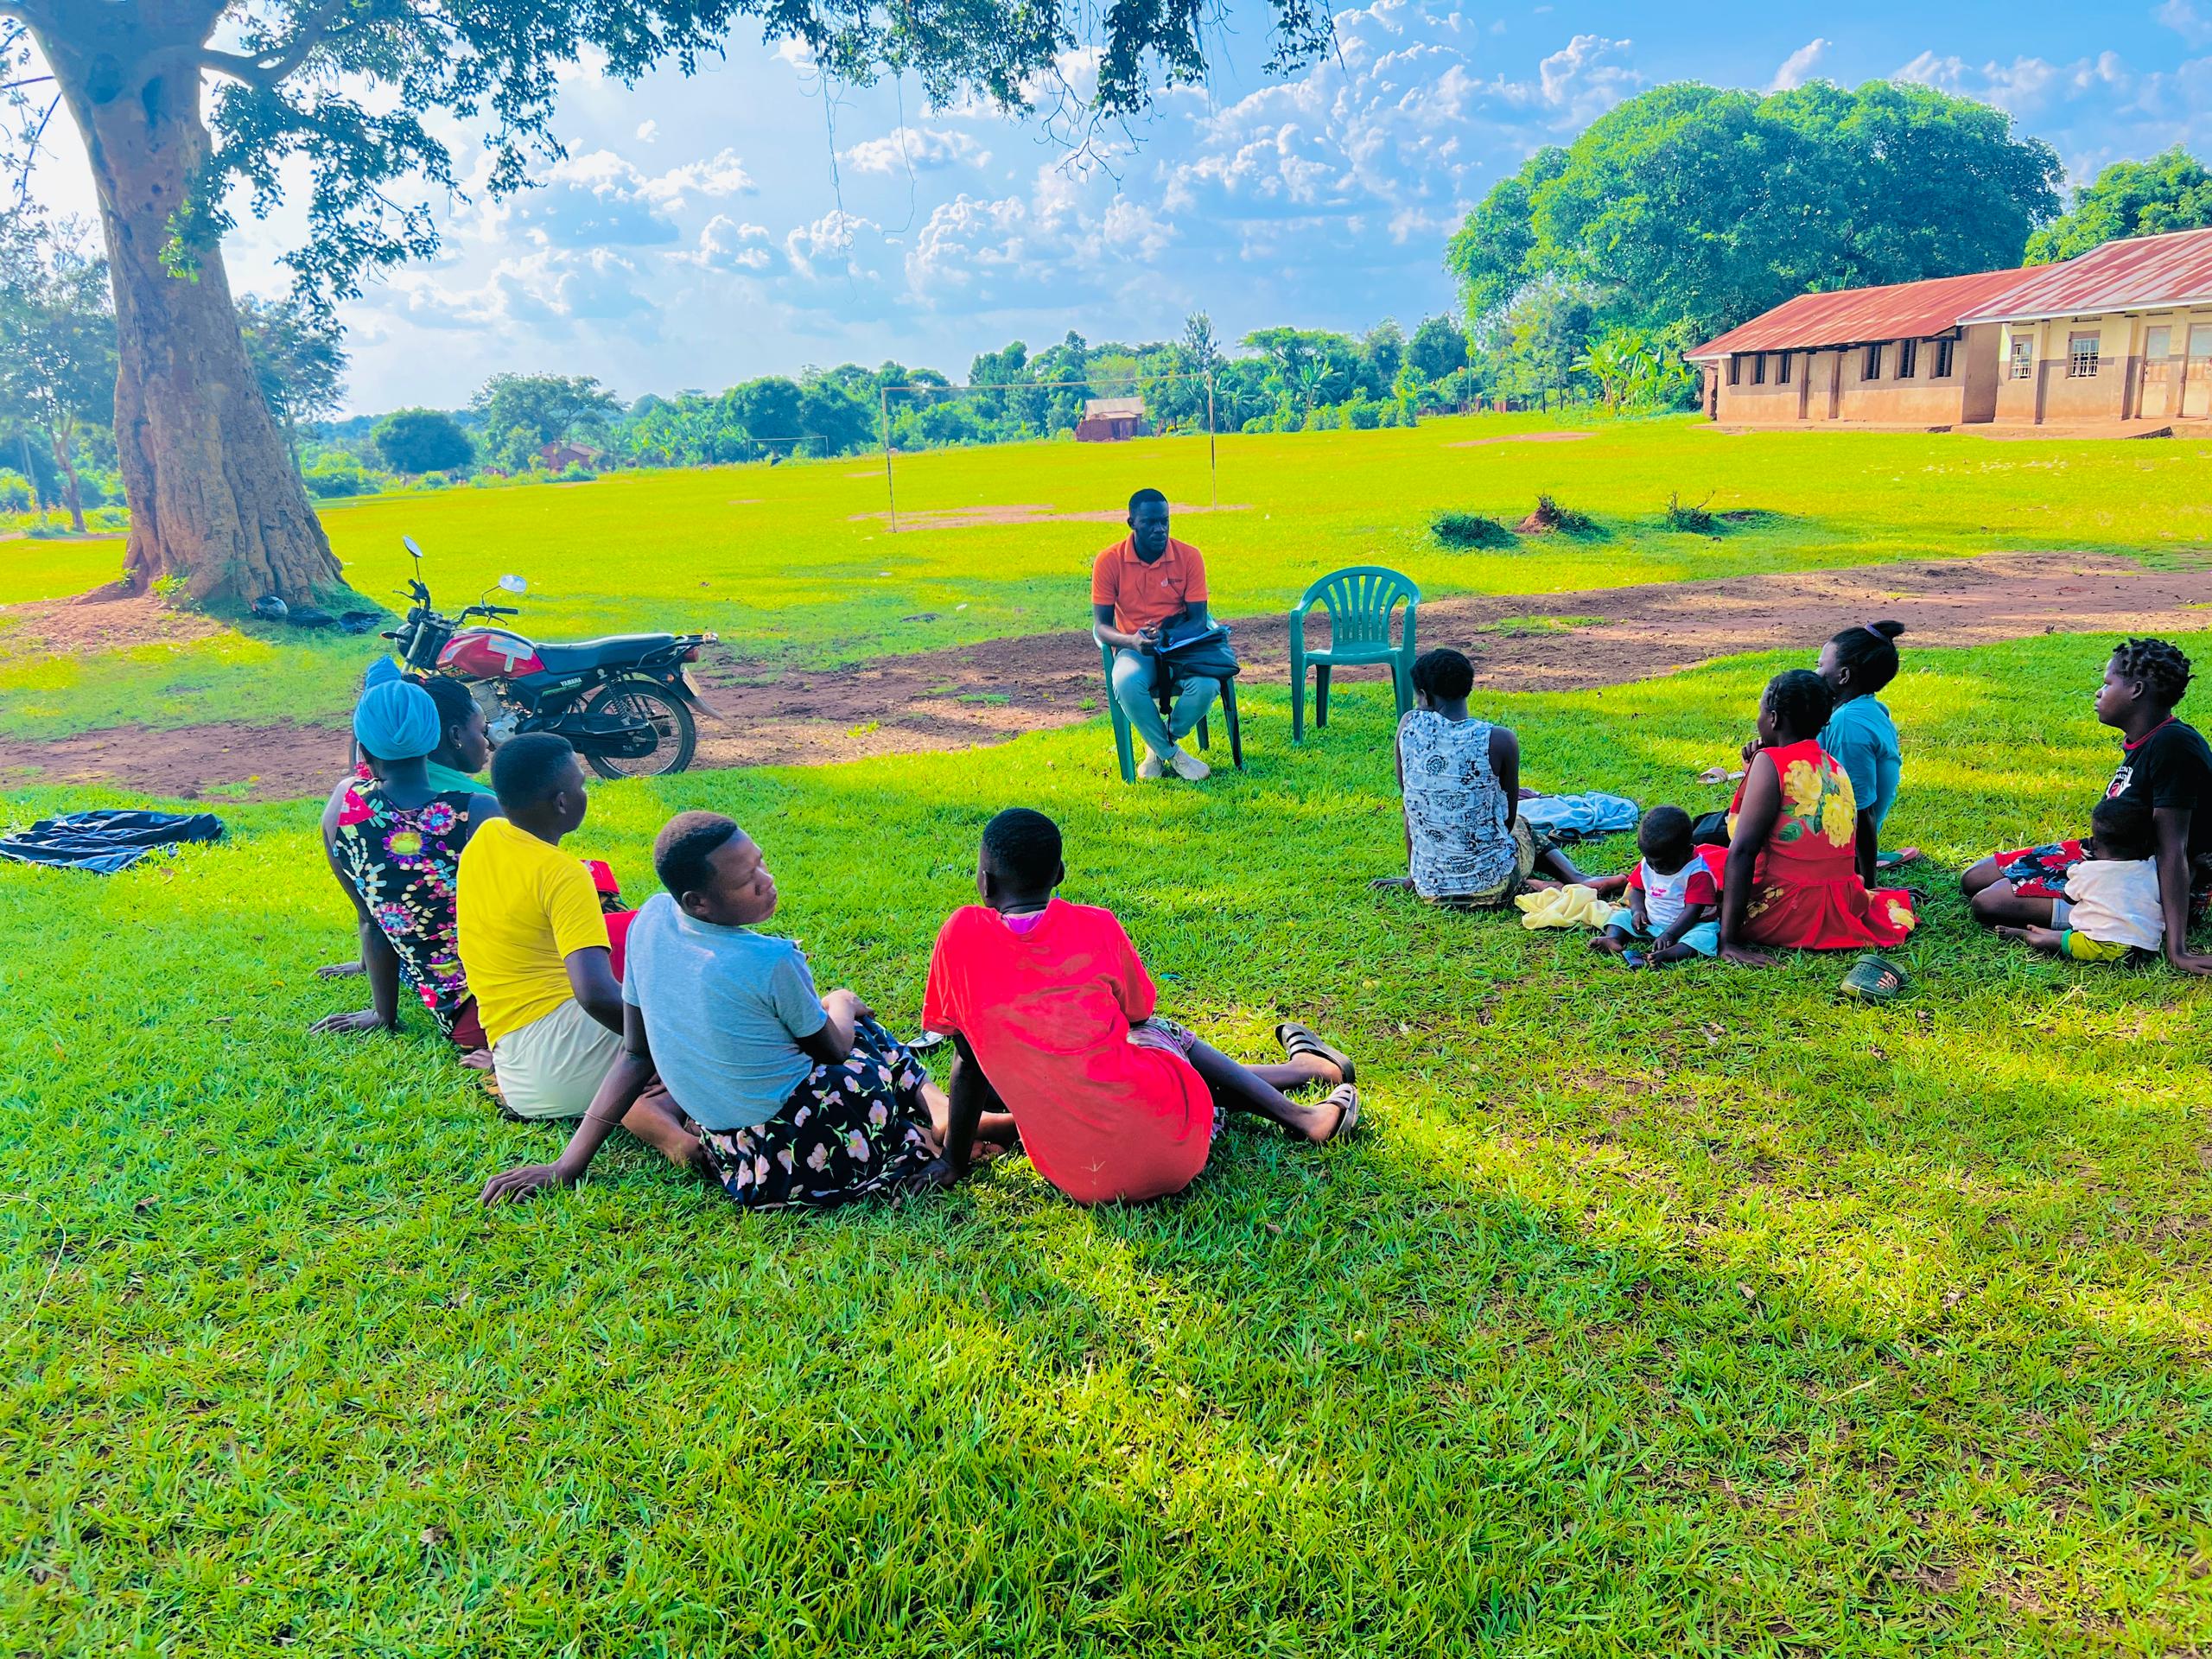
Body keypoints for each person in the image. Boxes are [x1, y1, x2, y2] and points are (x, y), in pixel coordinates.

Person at [482, 812, 1011, 1210]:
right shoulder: (770, 959)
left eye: (760, 862)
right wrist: (843, 1002)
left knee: (824, 1023)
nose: (765, 880)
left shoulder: (650, 923)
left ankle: (938, 1111)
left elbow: (635, 1055)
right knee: (859, 1031)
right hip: (814, 1145)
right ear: (698, 902)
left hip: (744, 1160)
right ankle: (944, 1119)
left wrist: (568, 1163)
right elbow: (832, 1049)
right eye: (745, 880)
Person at [920, 808, 1359, 1206]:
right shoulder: (1095, 926)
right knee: (1164, 1035)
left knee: (1116, 1071)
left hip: (1082, 1180)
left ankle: (1305, 1071)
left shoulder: (959, 936)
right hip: (1179, 1148)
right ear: (1060, 875)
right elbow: (1140, 1015)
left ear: (985, 883)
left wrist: (953, 1161)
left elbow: (968, 1062)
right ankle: (1303, 1115)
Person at [1962, 638, 2212, 974]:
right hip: (2111, 858)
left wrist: (2177, 950)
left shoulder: (2174, 746)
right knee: (1973, 878)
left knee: (1989, 902)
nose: (2099, 692)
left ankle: (2117, 923)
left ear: (2136, 690)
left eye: (2107, 684)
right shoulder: (2146, 739)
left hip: (2141, 884)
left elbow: (2173, 849)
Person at [455, 734, 639, 1121]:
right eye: (581, 785)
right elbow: (595, 995)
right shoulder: (564, 874)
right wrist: (663, 1040)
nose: (585, 792)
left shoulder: (485, 837)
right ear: (561, 802)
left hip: (517, 1071)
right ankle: (648, 1100)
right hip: (570, 1072)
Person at [313, 679, 502, 1043]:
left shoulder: (344, 804)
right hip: (506, 1003)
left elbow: (372, 921)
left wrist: (382, 1014)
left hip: (451, 1008)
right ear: (436, 738)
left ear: (363, 748)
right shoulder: (479, 811)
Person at [1708, 669, 1917, 967]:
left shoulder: (1770, 761)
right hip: (1839, 904)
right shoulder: (1833, 765)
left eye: (1760, 710)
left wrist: (1729, 940)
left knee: (1700, 864)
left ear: (1773, 719)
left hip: (1788, 909)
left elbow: (1743, 849)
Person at [1374, 646, 1592, 907]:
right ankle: (1577, 878)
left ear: (1426, 696)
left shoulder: (1408, 725)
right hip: (1494, 885)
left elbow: (1408, 802)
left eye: (1417, 698)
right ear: (1468, 687)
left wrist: (1414, 877)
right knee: (1521, 825)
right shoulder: (1500, 739)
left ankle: (1540, 885)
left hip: (1430, 888)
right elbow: (1508, 821)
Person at [1092, 487, 1218, 781]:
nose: (1160, 529)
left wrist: (1167, 637)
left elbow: (1199, 620)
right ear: (1132, 523)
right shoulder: (1109, 560)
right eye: (1150, 522)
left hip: (1181, 646)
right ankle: (1175, 756)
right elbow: (1101, 626)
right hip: (1135, 648)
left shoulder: (1189, 556)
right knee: (1125, 682)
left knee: (1207, 684)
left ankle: (1159, 746)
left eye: (1164, 520)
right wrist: (1132, 641)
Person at [1996, 796, 2163, 963]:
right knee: (2073, 937)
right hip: (2146, 947)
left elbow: (2069, 898)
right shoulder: (2152, 868)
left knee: (2064, 943)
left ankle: (2028, 936)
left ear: (2094, 844)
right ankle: (2052, 934)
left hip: (2107, 945)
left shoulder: (2086, 871)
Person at [1816, 620, 1910, 883]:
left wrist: (1868, 883)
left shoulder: (1849, 724)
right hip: (1838, 838)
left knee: (1721, 837)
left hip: (1836, 848)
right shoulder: (1868, 708)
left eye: (1820, 665)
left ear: (1844, 676)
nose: (1816, 673)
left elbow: (1859, 810)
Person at [1588, 806, 1719, 967]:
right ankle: (1613, 938)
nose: (1656, 868)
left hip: (1689, 926)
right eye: (1650, 862)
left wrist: (1670, 934)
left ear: (1687, 851)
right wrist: (1638, 911)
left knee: (1705, 937)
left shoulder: (1697, 873)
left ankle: (1669, 954)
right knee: (1621, 916)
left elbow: (1693, 912)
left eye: (1664, 863)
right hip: (1651, 922)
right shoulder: (1649, 863)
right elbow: (1637, 890)